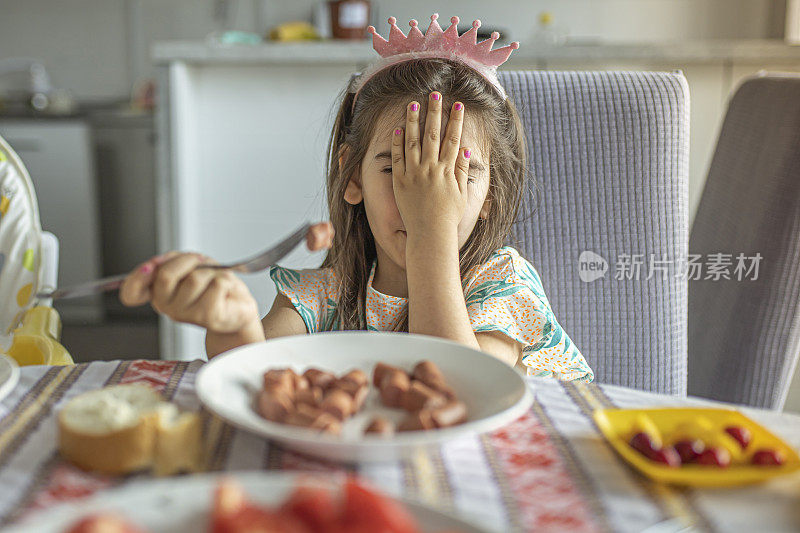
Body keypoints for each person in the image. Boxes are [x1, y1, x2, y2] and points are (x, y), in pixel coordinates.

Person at [120, 14, 593, 382]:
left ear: (490, 194)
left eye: (456, 174)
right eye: (395, 168)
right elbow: (255, 371)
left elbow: (456, 384)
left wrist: (431, 230)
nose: (423, 198)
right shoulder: (328, 291)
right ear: (353, 176)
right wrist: (232, 322)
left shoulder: (503, 285)